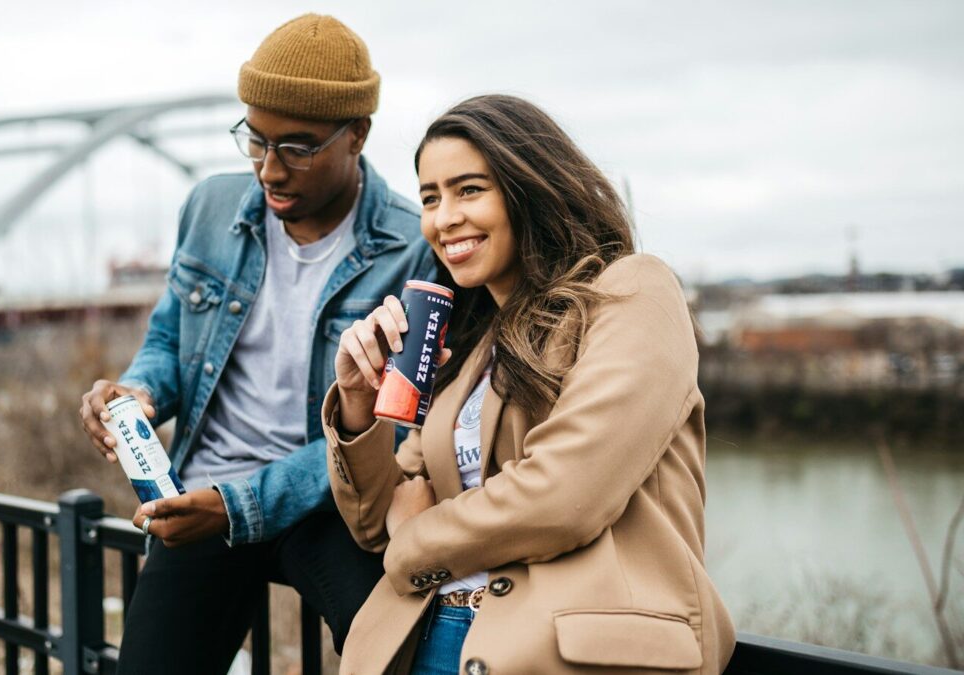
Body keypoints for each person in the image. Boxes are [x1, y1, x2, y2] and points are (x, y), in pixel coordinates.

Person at [325, 95, 736, 674]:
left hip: (566, 653)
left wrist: (415, 536)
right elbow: (374, 522)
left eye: (469, 190)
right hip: (427, 641)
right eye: (430, 197)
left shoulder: (633, 293)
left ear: (529, 187)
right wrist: (356, 403)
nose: (444, 218)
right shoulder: (469, 351)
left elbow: (565, 495)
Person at [77, 14, 435, 674]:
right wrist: (140, 391)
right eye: (255, 140)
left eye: (297, 148)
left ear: (357, 134)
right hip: (204, 494)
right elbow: (169, 336)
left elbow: (398, 430)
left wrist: (240, 507)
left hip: (331, 505)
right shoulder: (210, 207)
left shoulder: (413, 250)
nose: (269, 169)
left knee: (397, 651)